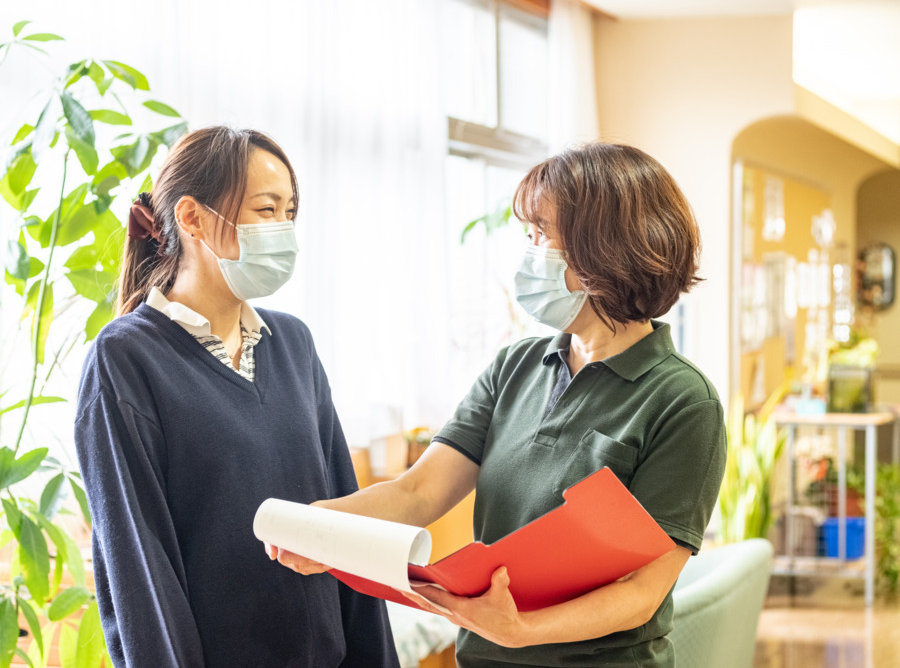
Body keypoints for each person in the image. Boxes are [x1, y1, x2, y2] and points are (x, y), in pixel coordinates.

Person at [270, 142, 727, 667]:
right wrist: (317, 527)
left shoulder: (684, 402)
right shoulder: (515, 366)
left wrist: (523, 631)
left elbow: (642, 593)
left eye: (542, 236)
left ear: (605, 247)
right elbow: (418, 492)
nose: (530, 254)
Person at [73, 126, 398, 667]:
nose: (285, 228)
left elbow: (344, 526)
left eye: (290, 211)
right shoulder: (125, 360)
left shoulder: (292, 342)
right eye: (267, 209)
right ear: (192, 217)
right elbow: (140, 573)